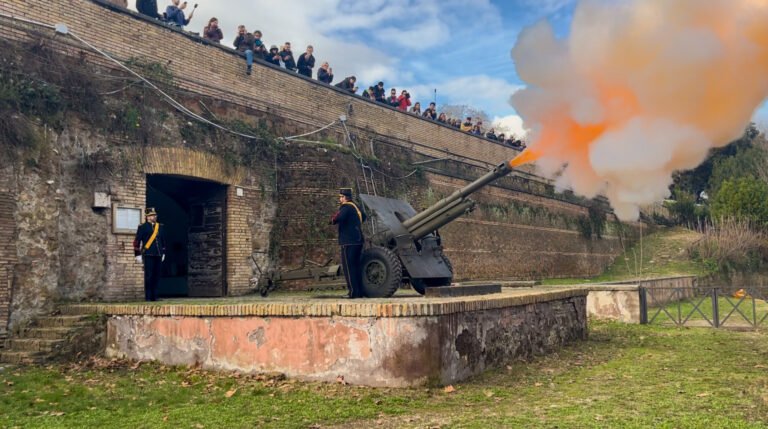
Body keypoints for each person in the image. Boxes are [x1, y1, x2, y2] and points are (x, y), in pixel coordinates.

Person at [331, 188, 367, 299]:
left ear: (345, 198)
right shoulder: (356, 207)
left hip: (348, 242)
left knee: (348, 267)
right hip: (358, 240)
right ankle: (359, 292)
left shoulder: (346, 207)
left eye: (341, 197)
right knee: (356, 266)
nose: (340, 199)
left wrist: (332, 220)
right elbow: (364, 216)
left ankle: (352, 292)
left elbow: (338, 218)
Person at [133, 207, 166, 302]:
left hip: (158, 254)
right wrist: (137, 254)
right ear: (147, 217)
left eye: (155, 215)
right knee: (149, 276)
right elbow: (137, 241)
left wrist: (163, 252)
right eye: (152, 215)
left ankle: (155, 296)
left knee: (157, 275)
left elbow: (163, 241)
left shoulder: (160, 227)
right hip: (148, 254)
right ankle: (148, 297)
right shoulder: (142, 227)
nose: (154, 217)